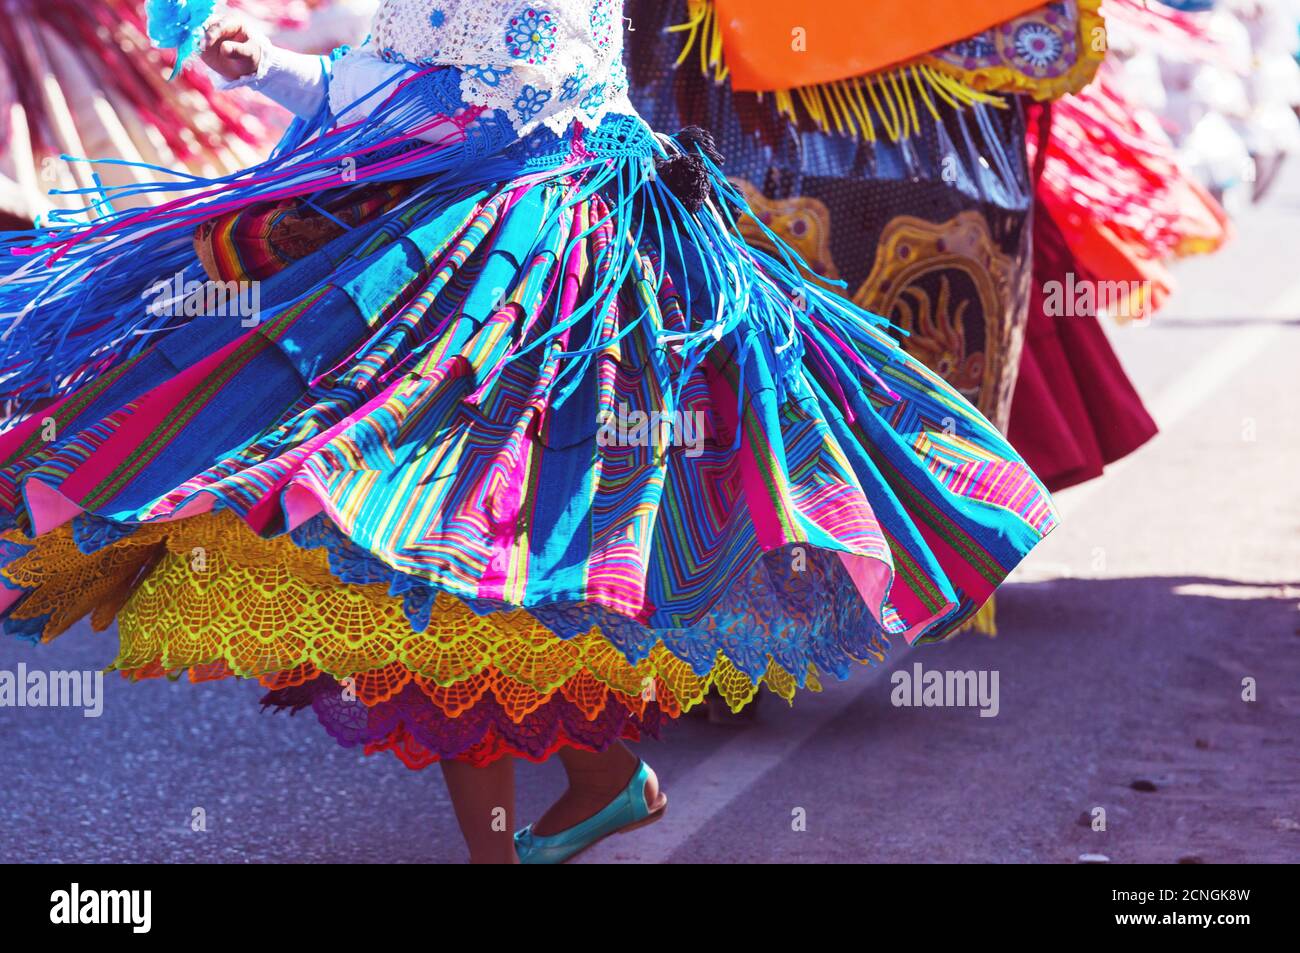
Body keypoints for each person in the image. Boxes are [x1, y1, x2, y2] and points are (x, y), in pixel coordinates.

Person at [0, 0, 1056, 864]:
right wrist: (269, 67)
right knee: (455, 560)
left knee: (465, 556)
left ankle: (547, 819)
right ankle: (602, 783)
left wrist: (320, 142)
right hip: (480, 231)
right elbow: (394, 85)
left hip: (531, 259)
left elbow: (492, 105)